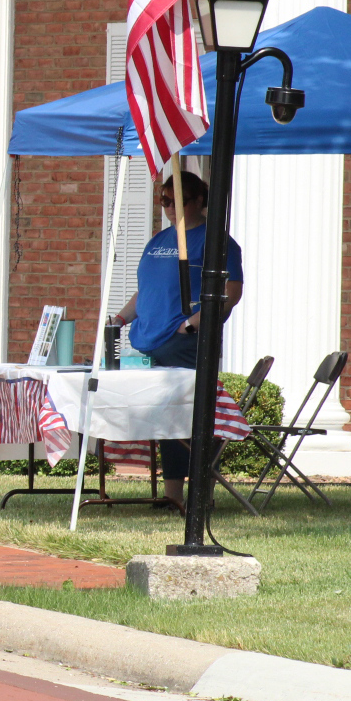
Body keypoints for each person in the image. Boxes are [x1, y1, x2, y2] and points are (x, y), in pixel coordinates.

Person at [106, 171, 244, 511]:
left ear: (198, 201)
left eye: (176, 200)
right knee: (165, 420)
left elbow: (231, 292)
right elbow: (146, 292)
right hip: (150, 345)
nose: (168, 206)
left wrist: (194, 325)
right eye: (164, 200)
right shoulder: (158, 241)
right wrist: (120, 319)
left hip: (186, 345)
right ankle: (173, 495)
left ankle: (202, 494)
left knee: (193, 419)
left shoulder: (216, 242)